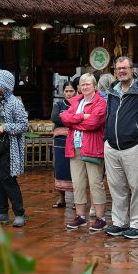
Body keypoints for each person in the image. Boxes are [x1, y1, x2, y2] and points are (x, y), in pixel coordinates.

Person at [103, 57, 138, 240]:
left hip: (134, 146)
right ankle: (120, 223)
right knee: (116, 187)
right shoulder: (113, 88)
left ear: (131, 69)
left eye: (124, 68)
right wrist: (106, 137)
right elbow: (109, 114)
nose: (121, 71)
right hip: (112, 147)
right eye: (118, 68)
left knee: (137, 187)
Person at [61, 73, 108, 231]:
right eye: (82, 84)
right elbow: (64, 118)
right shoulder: (75, 101)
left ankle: (101, 218)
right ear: (79, 87)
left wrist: (74, 122)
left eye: (88, 84)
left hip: (93, 148)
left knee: (95, 183)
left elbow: (94, 123)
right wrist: (81, 117)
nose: (85, 86)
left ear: (95, 86)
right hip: (74, 147)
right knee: (78, 183)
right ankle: (81, 216)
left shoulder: (100, 102)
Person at [0, 70, 28, 226]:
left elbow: (24, 125)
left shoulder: (15, 103)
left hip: (7, 147)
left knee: (8, 180)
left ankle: (19, 213)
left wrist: (5, 127)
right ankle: (1, 213)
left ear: (5, 85)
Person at [51, 81, 77, 209]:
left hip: (74, 141)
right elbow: (55, 118)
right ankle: (61, 199)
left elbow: (79, 119)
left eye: (71, 91)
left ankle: (77, 200)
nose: (68, 93)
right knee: (60, 168)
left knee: (75, 170)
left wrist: (65, 116)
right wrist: (71, 118)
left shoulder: (79, 104)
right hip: (60, 142)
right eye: (66, 91)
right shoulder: (58, 104)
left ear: (76, 92)